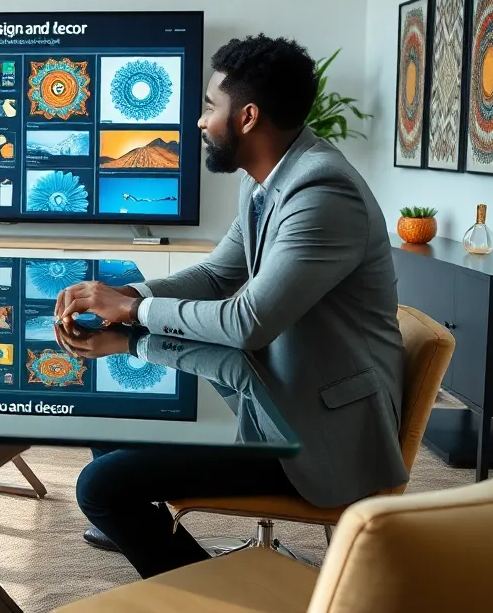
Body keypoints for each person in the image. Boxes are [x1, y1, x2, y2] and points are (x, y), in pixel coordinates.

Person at [54, 35, 407, 577]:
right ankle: (145, 526)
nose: (198, 122)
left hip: (319, 436)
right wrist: (131, 298)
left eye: (208, 107)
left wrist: (132, 314)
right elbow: (220, 274)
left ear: (246, 117)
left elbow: (248, 322)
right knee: (114, 410)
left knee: (99, 486)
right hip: (274, 395)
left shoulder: (321, 194)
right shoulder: (268, 178)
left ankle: (210, 591)